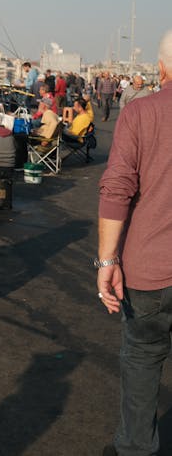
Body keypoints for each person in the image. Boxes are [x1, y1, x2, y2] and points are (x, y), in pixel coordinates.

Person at [97, 29, 172, 456]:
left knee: (143, 359)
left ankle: (136, 449)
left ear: (160, 68)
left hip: (150, 271)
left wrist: (106, 261)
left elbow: (117, 189)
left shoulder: (142, 113)